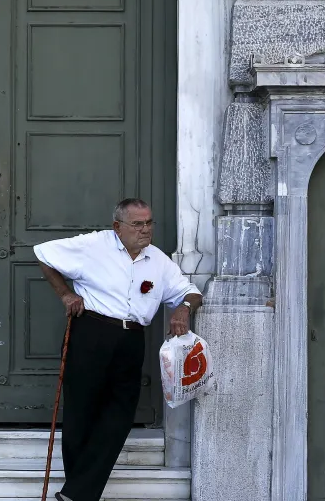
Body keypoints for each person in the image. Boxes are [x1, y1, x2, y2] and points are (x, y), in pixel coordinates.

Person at [33, 198, 204, 501]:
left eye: (149, 223)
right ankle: (80, 495)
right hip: (91, 332)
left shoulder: (158, 260)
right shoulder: (92, 245)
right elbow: (43, 254)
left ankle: (75, 494)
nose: (146, 230)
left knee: (121, 415)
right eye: (137, 224)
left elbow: (190, 291)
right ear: (117, 227)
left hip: (131, 340)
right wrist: (65, 294)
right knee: (81, 413)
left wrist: (183, 309)